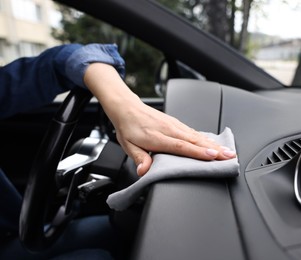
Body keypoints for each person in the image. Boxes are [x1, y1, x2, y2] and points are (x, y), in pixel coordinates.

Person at [0, 43, 236, 258]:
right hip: (19, 239)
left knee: (124, 230)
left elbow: (59, 61)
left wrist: (125, 106)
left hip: (18, 233)